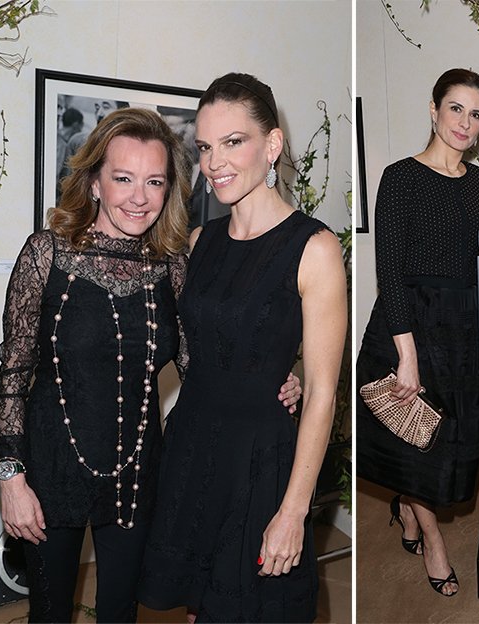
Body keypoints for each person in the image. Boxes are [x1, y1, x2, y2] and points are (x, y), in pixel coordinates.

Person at [0, 107, 300, 623]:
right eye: (123, 179)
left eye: (154, 181)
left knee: (120, 613)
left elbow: (202, 365)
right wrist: (11, 477)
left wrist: (272, 379)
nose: (139, 197)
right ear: (94, 183)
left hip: (137, 479)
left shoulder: (172, 266)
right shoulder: (45, 254)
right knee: (49, 614)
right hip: (49, 475)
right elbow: (14, 372)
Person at [137, 73, 347, 623]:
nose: (214, 163)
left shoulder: (315, 247)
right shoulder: (200, 242)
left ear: (272, 145)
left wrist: (294, 511)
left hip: (259, 462)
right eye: (205, 147)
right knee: (198, 608)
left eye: (233, 142)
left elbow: (322, 394)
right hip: (192, 449)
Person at [356, 68, 479, 597]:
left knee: (446, 440)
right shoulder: (400, 177)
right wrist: (407, 355)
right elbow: (390, 271)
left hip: (462, 327)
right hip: (411, 324)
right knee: (419, 439)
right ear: (434, 110)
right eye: (456, 108)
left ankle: (407, 504)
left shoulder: (477, 181)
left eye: (476, 114)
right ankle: (433, 538)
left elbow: (466, 249)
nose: (465, 122)